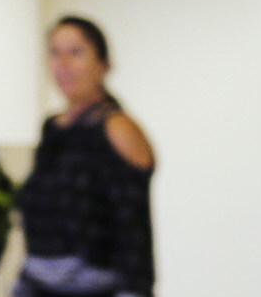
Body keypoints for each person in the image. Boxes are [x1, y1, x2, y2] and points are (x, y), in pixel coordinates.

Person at [15, 16, 156, 297]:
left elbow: (133, 232)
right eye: (55, 53)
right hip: (37, 284)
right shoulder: (52, 128)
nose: (63, 64)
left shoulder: (117, 127)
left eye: (76, 52)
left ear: (103, 64)